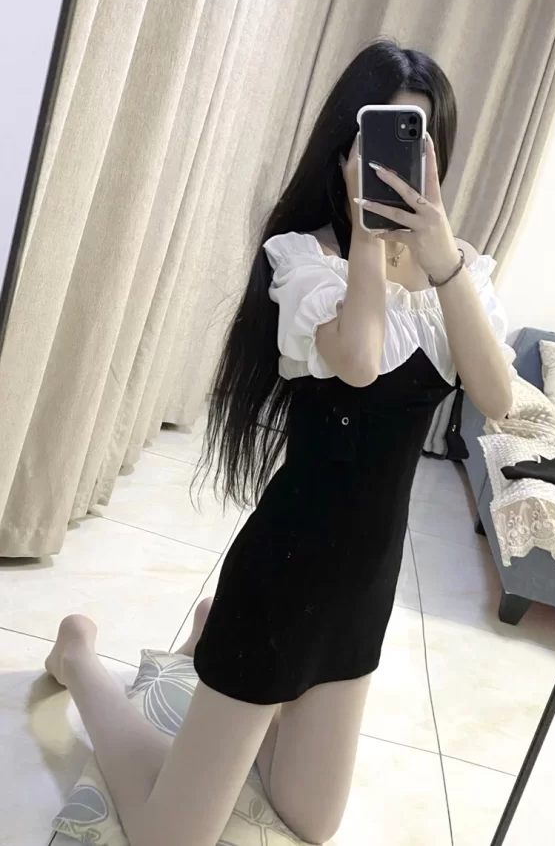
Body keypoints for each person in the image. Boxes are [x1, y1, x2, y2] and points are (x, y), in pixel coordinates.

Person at [45, 41, 513, 846]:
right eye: (380, 139)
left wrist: (440, 258)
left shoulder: (458, 274)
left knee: (310, 819)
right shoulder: (307, 259)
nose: (399, 162)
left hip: (363, 588)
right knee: (168, 838)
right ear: (344, 148)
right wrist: (367, 238)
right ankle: (78, 658)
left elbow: (498, 399)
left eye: (418, 141)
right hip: (281, 578)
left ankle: (215, 656)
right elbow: (359, 360)